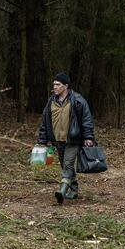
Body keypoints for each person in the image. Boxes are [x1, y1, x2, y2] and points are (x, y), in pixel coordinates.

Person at [37, 72, 95, 204]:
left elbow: (86, 119)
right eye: (54, 85)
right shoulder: (51, 101)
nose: (55, 87)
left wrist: (88, 137)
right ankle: (73, 190)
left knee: (68, 164)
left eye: (58, 85)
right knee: (65, 166)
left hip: (73, 139)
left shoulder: (78, 100)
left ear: (66, 86)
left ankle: (62, 191)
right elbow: (45, 122)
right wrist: (42, 140)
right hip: (58, 140)